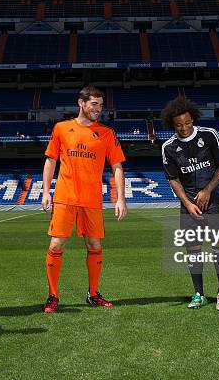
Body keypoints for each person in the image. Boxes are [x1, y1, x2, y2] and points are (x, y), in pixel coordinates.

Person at [41, 86, 127, 313]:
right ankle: (53, 295)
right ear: (81, 103)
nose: (98, 109)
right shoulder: (62, 128)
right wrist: (45, 191)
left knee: (94, 244)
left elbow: (117, 166)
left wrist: (120, 199)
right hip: (65, 197)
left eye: (100, 105)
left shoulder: (107, 133)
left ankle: (93, 293)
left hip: (92, 200)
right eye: (94, 104)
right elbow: (51, 160)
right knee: (56, 243)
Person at [160, 97, 219, 311]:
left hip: (214, 200)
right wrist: (187, 203)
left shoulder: (209, 136)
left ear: (193, 119)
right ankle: (198, 293)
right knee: (193, 248)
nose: (184, 128)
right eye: (179, 125)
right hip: (189, 204)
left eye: (187, 123)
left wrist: (208, 189)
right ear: (173, 125)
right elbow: (173, 179)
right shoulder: (169, 147)